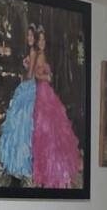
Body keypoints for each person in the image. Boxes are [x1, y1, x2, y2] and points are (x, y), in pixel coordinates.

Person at [29, 25, 83, 189]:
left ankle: (55, 165)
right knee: (47, 128)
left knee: (54, 127)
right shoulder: (39, 56)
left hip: (46, 92)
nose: (43, 43)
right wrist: (47, 76)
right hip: (43, 92)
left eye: (44, 40)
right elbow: (36, 75)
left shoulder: (42, 55)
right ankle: (50, 167)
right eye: (40, 40)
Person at [0, 25, 37, 181]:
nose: (30, 38)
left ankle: (20, 163)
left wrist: (24, 74)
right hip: (27, 87)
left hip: (29, 87)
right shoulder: (32, 51)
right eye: (29, 36)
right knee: (19, 122)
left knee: (22, 122)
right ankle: (16, 163)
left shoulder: (33, 52)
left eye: (32, 36)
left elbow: (31, 74)